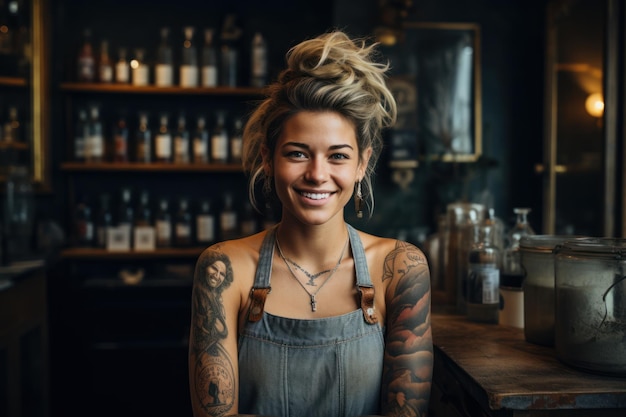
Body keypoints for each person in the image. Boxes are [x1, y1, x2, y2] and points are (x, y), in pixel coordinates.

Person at [189, 30, 433, 417]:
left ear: (361, 164)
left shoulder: (400, 268)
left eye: (337, 156)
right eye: (298, 153)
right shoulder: (224, 268)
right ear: (269, 160)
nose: (317, 174)